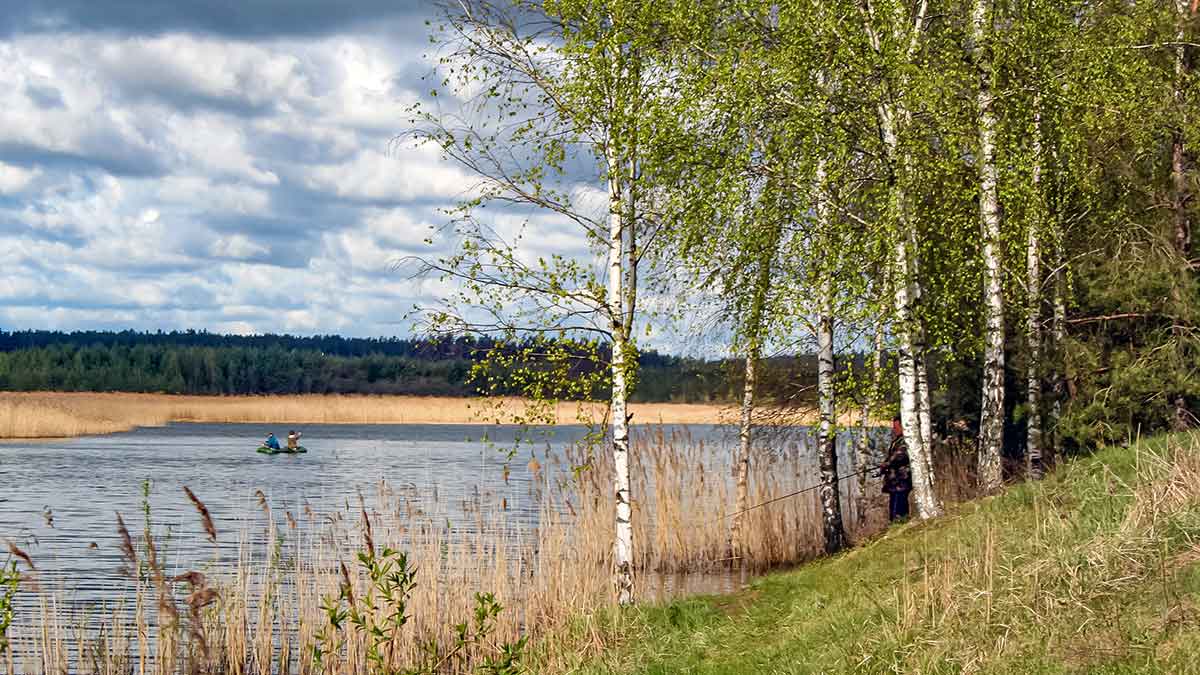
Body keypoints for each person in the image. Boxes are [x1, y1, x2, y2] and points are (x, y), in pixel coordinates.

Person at [878, 415, 912, 522]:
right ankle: (895, 526)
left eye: (896, 427)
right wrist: (884, 466)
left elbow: (900, 456)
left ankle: (900, 525)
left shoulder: (906, 440)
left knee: (899, 509)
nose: (894, 429)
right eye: (894, 427)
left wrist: (886, 464)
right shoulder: (896, 441)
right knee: (893, 508)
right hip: (894, 482)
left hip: (901, 482)